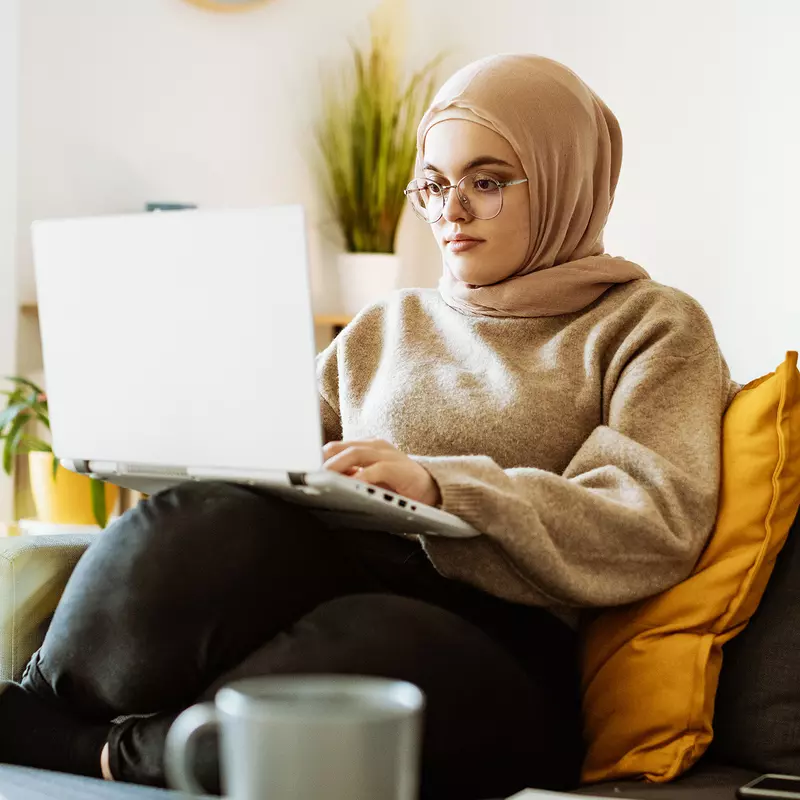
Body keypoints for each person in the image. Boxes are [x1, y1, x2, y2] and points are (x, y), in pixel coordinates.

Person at [0, 54, 737, 800]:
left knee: (371, 639)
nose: (451, 211)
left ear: (565, 179)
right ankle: (42, 708)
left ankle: (102, 754)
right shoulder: (390, 322)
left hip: (498, 646)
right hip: (337, 580)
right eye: (434, 184)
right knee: (200, 520)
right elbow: (279, 447)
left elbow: (654, 519)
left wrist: (443, 487)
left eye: (486, 183)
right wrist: (186, 444)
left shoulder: (650, 325)